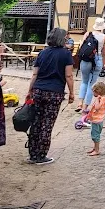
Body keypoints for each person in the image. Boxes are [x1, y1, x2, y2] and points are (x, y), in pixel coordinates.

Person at [25, 27, 74, 165]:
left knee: (36, 122)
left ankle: (32, 154)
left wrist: (29, 91)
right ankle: (41, 155)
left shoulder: (42, 53)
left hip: (38, 90)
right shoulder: (66, 54)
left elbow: (35, 74)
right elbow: (69, 75)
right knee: (47, 124)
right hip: (55, 92)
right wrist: (71, 92)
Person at [75, 18, 105, 113]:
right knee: (92, 84)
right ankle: (85, 107)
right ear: (102, 27)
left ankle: (80, 103)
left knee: (84, 82)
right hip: (97, 59)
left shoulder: (88, 34)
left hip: (86, 59)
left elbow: (82, 46)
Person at [87, 82, 105, 156]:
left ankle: (97, 150)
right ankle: (95, 148)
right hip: (98, 120)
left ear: (97, 92)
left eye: (93, 91)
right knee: (95, 135)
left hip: (97, 121)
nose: (92, 93)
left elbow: (97, 107)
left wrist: (96, 100)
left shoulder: (100, 99)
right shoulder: (104, 98)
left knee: (95, 136)